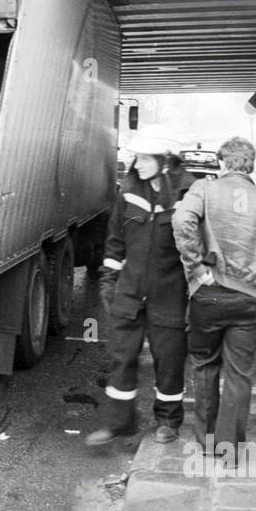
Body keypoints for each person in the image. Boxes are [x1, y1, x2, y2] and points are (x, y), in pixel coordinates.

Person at [172, 137, 256, 458]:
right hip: (250, 301)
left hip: (207, 295)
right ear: (250, 166)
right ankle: (231, 448)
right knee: (239, 373)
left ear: (222, 163)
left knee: (205, 365)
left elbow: (181, 220)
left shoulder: (203, 190)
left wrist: (196, 267)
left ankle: (207, 441)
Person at [86, 126, 196, 447]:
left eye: (145, 158)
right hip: (130, 292)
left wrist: (194, 295)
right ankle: (120, 424)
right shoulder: (129, 190)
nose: (137, 164)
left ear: (165, 161)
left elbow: (197, 249)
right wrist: (108, 283)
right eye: (136, 157)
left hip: (170, 294)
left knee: (169, 359)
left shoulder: (188, 193)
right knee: (122, 358)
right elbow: (115, 242)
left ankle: (167, 421)